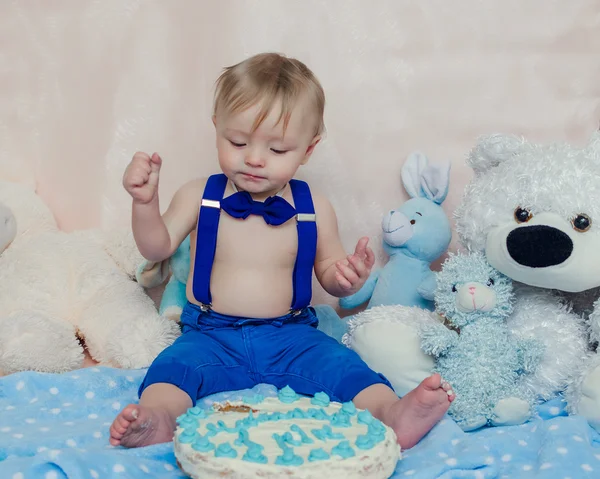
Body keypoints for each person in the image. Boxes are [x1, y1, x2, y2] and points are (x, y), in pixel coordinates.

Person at [109, 52, 454, 450]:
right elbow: (157, 245)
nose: (254, 159)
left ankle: (390, 413)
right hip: (210, 334)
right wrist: (144, 203)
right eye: (238, 142)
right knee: (172, 370)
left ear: (308, 149)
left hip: (292, 336)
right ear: (217, 127)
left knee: (344, 367)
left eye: (278, 150)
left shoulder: (315, 206)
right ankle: (158, 419)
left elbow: (328, 270)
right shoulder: (198, 195)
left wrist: (346, 277)